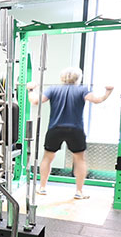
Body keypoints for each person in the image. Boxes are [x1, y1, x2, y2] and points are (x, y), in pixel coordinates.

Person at [30, 67, 114, 199]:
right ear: (78, 78)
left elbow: (34, 101)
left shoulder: (53, 89)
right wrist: (108, 91)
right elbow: (98, 100)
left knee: (47, 158)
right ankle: (79, 192)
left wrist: (30, 89)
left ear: (61, 78)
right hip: (75, 130)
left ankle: (42, 188)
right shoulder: (82, 89)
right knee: (79, 160)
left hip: (55, 129)